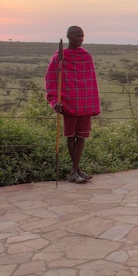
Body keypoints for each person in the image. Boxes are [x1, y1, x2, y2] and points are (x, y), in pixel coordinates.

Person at [45, 26, 100, 184]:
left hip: (84, 104)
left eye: (82, 36)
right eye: (77, 36)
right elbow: (51, 80)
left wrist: (92, 102)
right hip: (68, 103)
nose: (81, 39)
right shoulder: (60, 57)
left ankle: (75, 170)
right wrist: (54, 101)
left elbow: (90, 82)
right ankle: (75, 171)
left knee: (82, 136)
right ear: (69, 36)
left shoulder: (86, 57)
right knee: (71, 136)